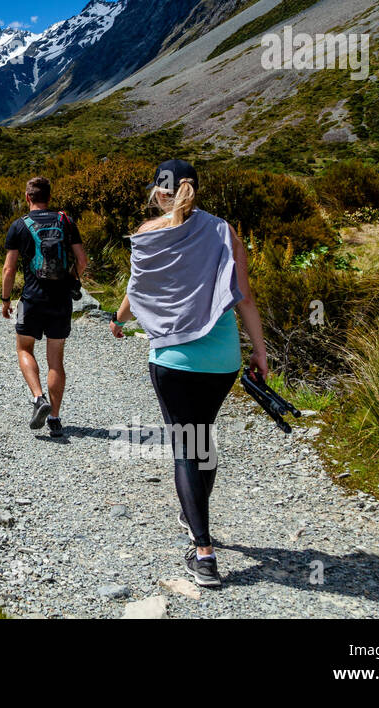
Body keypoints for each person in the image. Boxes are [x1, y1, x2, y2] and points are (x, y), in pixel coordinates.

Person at [108, 160, 268, 589]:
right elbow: (244, 296)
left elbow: (137, 288)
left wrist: (120, 319)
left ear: (158, 191)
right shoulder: (223, 231)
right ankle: (194, 508)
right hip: (221, 358)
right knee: (204, 436)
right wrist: (262, 352)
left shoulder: (146, 234)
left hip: (172, 358)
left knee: (185, 445)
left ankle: (204, 553)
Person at [2, 176, 89, 438]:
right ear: (49, 197)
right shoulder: (65, 221)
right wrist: (71, 280)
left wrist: (6, 300)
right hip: (60, 301)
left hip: (31, 300)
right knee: (56, 361)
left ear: (28, 197)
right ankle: (55, 419)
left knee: (24, 348)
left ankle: (39, 398)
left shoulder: (18, 226)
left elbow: (9, 269)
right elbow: (82, 261)